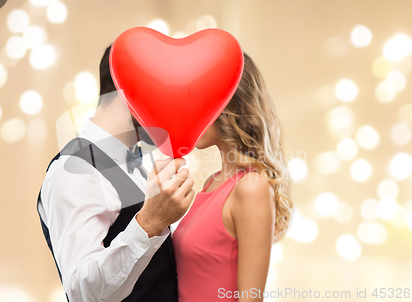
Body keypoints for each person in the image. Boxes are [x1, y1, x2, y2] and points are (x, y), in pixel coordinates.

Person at [37, 44, 195, 302]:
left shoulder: (138, 161)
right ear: (132, 91)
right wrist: (149, 223)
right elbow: (82, 293)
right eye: (163, 96)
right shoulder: (72, 170)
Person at [172, 52, 293, 301]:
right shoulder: (211, 183)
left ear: (228, 106)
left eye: (199, 102)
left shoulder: (251, 188)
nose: (190, 114)